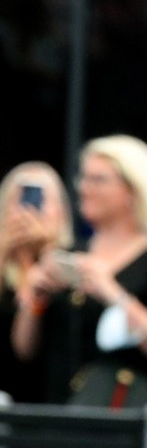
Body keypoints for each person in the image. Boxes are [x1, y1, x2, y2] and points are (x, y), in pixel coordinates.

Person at [11, 135, 147, 407]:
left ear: (132, 191)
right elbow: (24, 349)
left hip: (125, 426)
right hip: (56, 415)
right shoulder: (68, 254)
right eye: (83, 178)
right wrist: (35, 298)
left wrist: (114, 294)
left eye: (98, 180)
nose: (84, 189)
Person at [0, 162, 73, 404]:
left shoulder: (74, 262)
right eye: (21, 198)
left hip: (52, 401)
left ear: (61, 211)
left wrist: (48, 250)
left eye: (41, 199)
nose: (30, 210)